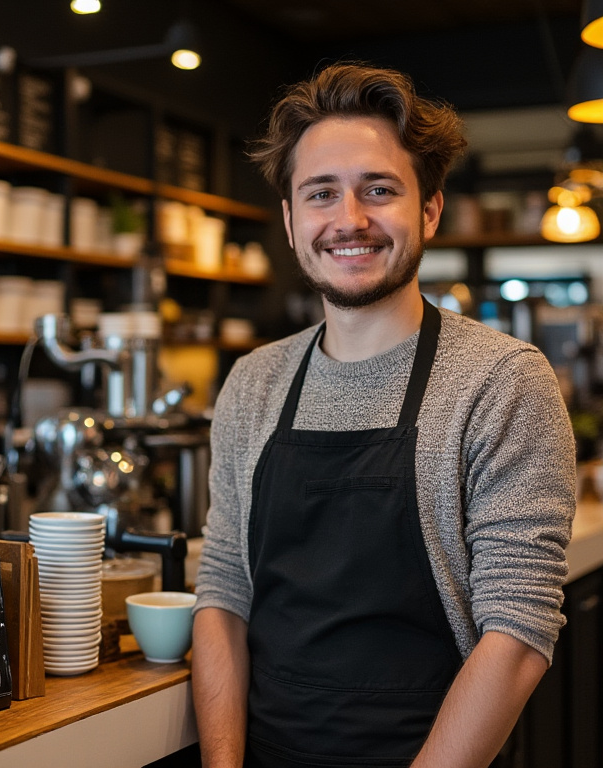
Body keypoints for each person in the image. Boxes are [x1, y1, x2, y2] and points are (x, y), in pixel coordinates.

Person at [192, 62, 576, 768]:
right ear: (290, 219)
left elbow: (517, 633)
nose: (350, 220)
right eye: (321, 194)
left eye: (378, 190)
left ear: (428, 209)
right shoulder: (253, 383)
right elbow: (223, 592)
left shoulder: (501, 381)